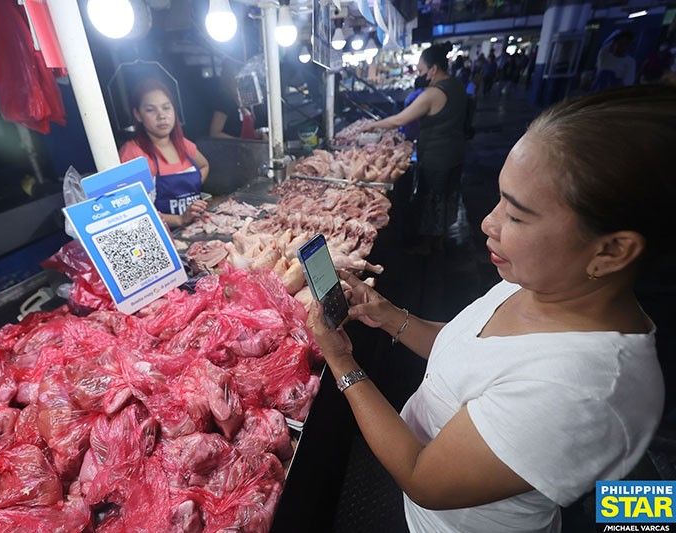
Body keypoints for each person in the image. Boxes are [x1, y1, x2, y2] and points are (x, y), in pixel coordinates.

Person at [308, 85, 674, 532]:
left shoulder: (580, 390)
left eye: (517, 216)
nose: (487, 222)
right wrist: (387, 315)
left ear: (613, 252)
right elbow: (474, 353)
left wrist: (341, 361)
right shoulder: (548, 283)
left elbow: (423, 477)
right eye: (501, 199)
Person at [363, 42, 467, 249]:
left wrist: (372, 125)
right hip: (455, 153)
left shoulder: (433, 93)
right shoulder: (457, 85)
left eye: (421, 70)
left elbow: (399, 120)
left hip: (436, 156)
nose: (421, 75)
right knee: (445, 198)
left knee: (432, 200)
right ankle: (440, 241)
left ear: (434, 69)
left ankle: (428, 248)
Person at [119, 79, 210, 228]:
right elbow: (132, 210)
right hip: (161, 235)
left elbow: (204, 165)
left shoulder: (183, 144)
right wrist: (179, 219)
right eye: (150, 110)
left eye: (166, 108)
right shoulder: (133, 153)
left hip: (194, 229)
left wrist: (192, 188)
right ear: (138, 114)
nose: (161, 115)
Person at [209, 60, 261, 140]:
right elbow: (214, 133)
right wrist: (239, 142)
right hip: (232, 150)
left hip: (247, 149)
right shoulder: (224, 100)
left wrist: (258, 135)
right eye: (235, 76)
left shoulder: (243, 100)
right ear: (228, 78)